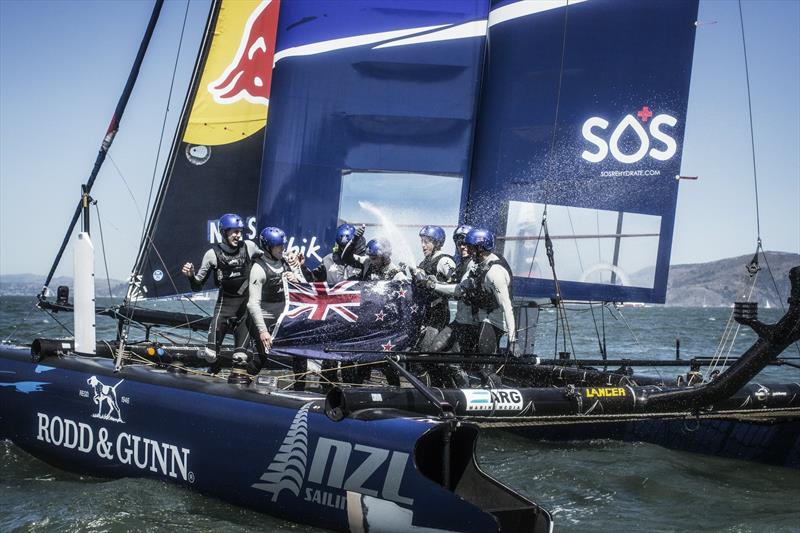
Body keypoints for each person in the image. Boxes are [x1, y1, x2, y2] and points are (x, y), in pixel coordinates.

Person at [181, 213, 260, 371]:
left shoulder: (249, 247)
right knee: (210, 355)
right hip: (224, 309)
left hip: (244, 312)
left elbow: (268, 261)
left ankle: (240, 386)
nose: (238, 235)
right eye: (234, 232)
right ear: (224, 232)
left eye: (240, 231)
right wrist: (190, 277)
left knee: (241, 357)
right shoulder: (212, 255)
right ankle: (215, 369)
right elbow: (197, 287)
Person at [246, 226, 309, 389]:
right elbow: (253, 304)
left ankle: (300, 389)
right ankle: (242, 385)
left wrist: (296, 277)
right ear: (268, 248)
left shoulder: (287, 260)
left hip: (284, 318)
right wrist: (262, 331)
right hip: (265, 320)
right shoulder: (258, 269)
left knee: (300, 352)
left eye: (283, 245)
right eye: (279, 246)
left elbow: (305, 286)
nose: (283, 249)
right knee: (260, 359)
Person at [459, 228, 515, 386]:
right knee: (480, 366)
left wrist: (513, 339)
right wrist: (433, 284)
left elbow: (507, 306)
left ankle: (497, 401)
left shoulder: (494, 272)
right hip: (484, 317)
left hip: (495, 321)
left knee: (486, 368)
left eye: (470, 247)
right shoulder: (479, 265)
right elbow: (459, 289)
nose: (467, 250)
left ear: (480, 248)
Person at [425, 224, 478, 386]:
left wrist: (433, 285)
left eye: (466, 243)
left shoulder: (472, 264)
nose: (462, 246)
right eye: (459, 243)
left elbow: (459, 290)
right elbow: (450, 282)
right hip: (459, 321)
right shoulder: (462, 263)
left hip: (472, 323)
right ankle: (446, 389)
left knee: (452, 361)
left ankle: (465, 395)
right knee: (434, 351)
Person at [410, 225, 456, 350]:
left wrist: (433, 284)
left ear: (437, 243)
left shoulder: (444, 260)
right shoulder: (424, 262)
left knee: (426, 351)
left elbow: (456, 285)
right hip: (426, 313)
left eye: (427, 242)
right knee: (418, 348)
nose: (423, 246)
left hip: (438, 312)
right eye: (422, 242)